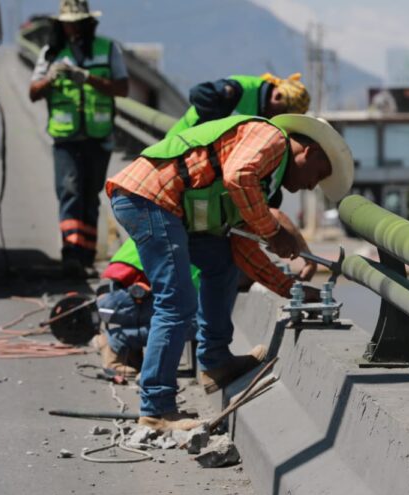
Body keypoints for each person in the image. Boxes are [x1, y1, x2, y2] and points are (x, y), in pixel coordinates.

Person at [106, 113, 353, 431]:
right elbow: (239, 176)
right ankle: (156, 409)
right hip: (151, 199)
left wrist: (290, 287)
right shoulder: (271, 138)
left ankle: (216, 362)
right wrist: (272, 230)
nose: (310, 186)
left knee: (221, 263)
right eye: (318, 175)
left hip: (166, 206)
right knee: (176, 303)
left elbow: (241, 248)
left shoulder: (260, 183)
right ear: (312, 152)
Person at [95, 208, 316, 378]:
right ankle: (117, 340)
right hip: (126, 296)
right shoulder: (226, 228)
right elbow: (274, 215)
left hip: (117, 291)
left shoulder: (210, 217)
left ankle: (128, 348)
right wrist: (306, 258)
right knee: (201, 323)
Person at [29, 0, 129, 276]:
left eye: (77, 22)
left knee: (90, 194)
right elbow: (34, 92)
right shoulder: (51, 53)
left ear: (87, 23)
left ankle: (85, 254)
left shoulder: (107, 49)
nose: (72, 27)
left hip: (98, 136)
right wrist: (50, 77)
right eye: (68, 22)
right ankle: (71, 254)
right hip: (66, 137)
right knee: (70, 191)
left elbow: (122, 88)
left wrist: (86, 78)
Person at [165, 73, 310, 137]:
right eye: (282, 113)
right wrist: (213, 130)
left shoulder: (260, 108)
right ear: (278, 97)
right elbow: (198, 92)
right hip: (179, 142)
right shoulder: (237, 90)